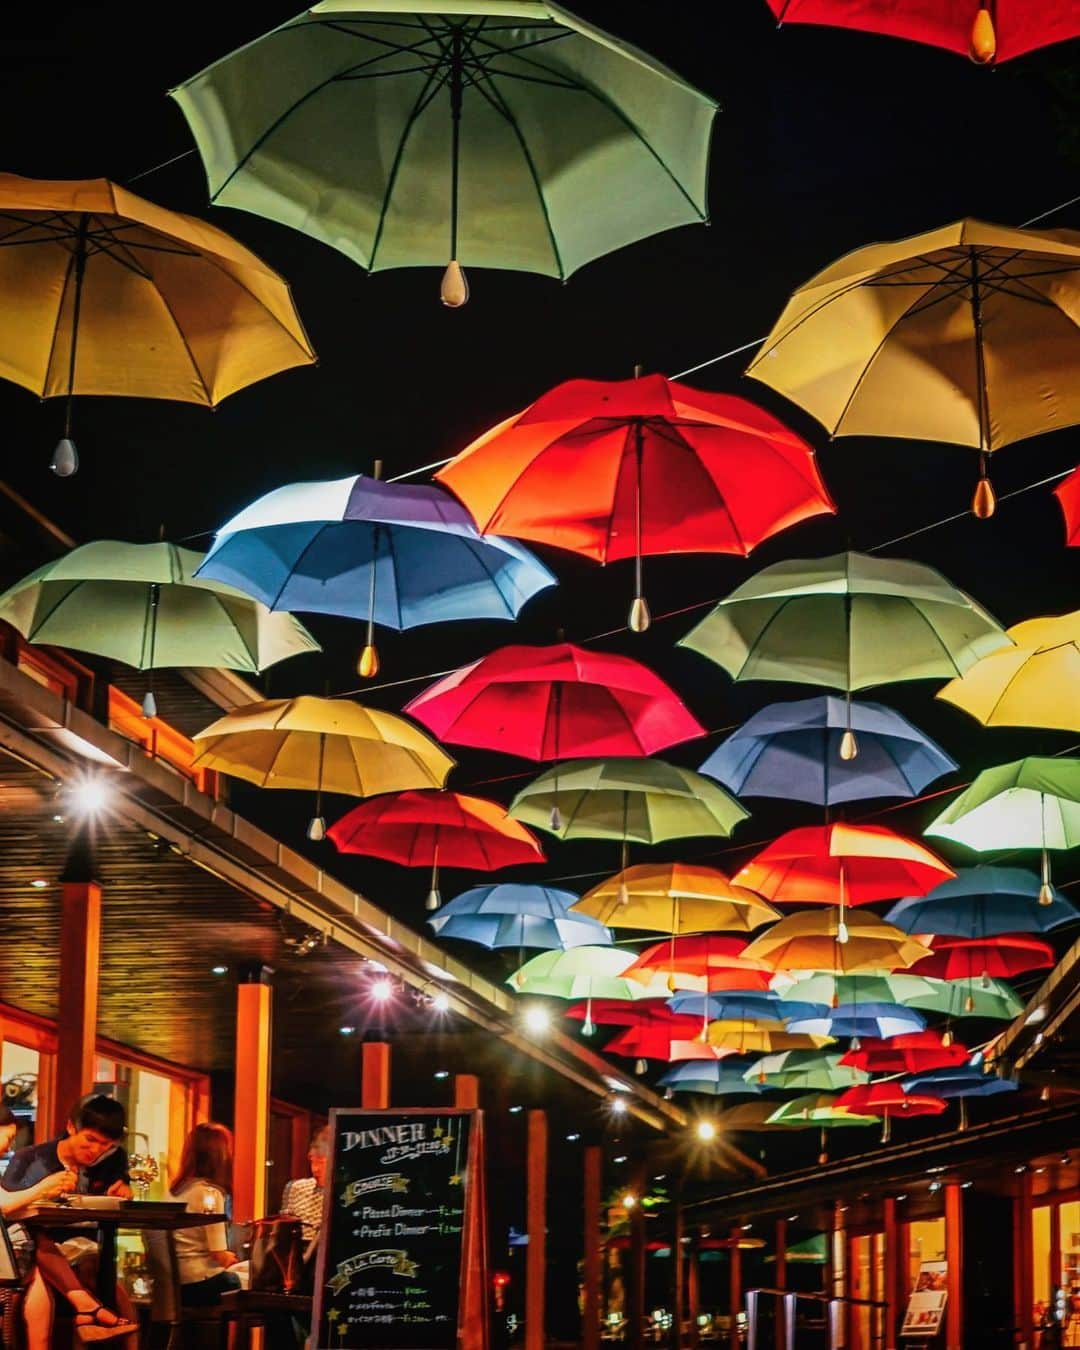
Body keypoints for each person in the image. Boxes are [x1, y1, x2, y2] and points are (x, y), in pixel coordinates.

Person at [0, 1104, 137, 1345]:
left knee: (91, 1266)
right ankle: (85, 1308)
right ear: (71, 1127)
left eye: (106, 1146)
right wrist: (46, 1188)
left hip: (75, 1247)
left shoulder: (113, 1160)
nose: (96, 1150)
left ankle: (88, 1313)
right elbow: (7, 1210)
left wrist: (124, 1185)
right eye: (90, 1140)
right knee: (40, 1247)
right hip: (34, 1247)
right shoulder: (32, 1159)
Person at [166, 1122, 240, 1307]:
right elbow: (218, 1253)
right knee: (255, 1285)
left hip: (174, 1284)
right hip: (200, 1282)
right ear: (222, 1157)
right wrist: (233, 1258)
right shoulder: (209, 1194)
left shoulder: (174, 1192)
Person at [281, 1124, 329, 1250]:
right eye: (313, 1161)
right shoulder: (297, 1188)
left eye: (321, 1162)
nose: (315, 1169)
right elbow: (283, 1233)